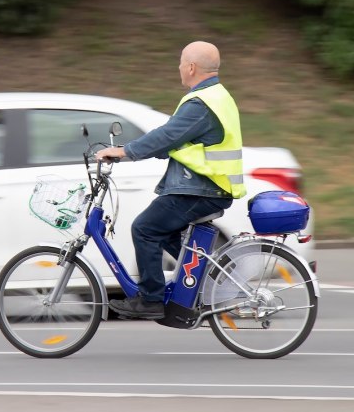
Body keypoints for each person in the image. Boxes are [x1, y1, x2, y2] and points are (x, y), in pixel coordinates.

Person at [95, 41, 247, 319]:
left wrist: (123, 151)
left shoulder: (201, 103)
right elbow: (177, 139)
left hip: (203, 188)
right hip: (207, 186)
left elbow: (167, 135)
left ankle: (150, 299)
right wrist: (153, 150)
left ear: (190, 67)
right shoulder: (215, 96)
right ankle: (214, 276)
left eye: (180, 62)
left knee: (145, 228)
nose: (178, 67)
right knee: (164, 232)